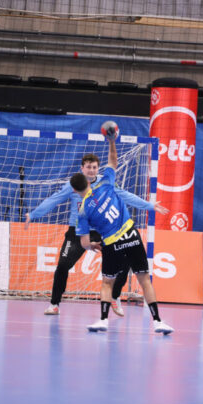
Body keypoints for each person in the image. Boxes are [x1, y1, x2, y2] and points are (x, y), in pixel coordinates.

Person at [25, 153, 167, 316]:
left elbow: (125, 195)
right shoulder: (74, 185)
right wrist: (33, 215)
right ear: (82, 168)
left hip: (103, 232)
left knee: (126, 261)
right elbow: (53, 199)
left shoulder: (105, 183)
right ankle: (55, 304)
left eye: (94, 167)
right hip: (78, 232)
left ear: (98, 168)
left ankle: (114, 296)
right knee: (63, 265)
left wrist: (149, 205)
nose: (91, 170)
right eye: (88, 167)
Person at [70, 127, 173, 334]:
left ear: (74, 190)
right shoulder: (106, 184)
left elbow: (84, 243)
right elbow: (113, 161)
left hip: (111, 243)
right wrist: (111, 141)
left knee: (107, 283)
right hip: (131, 235)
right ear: (88, 180)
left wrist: (92, 245)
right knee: (144, 279)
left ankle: (103, 320)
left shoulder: (83, 211)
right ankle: (158, 321)